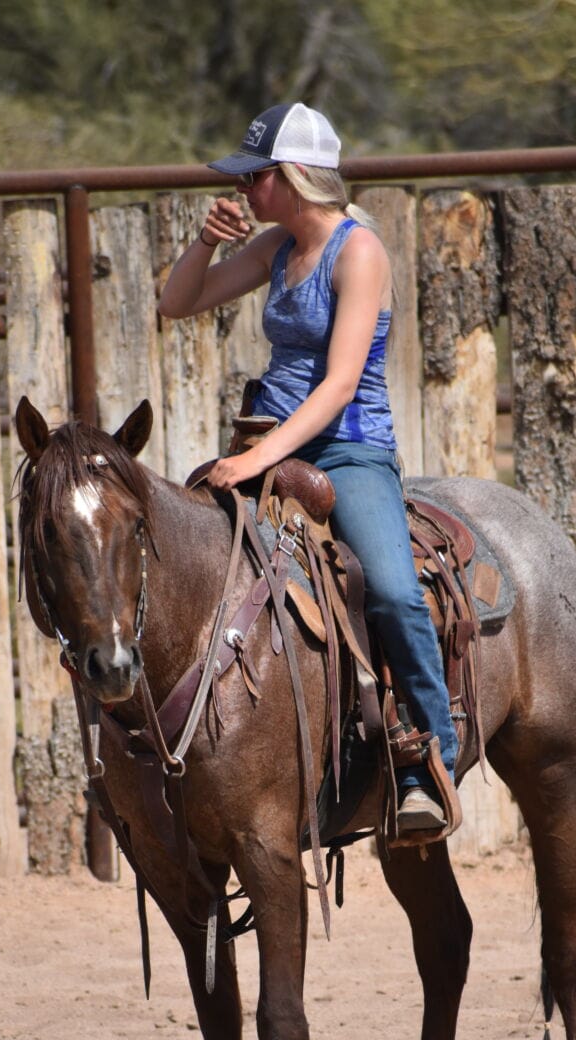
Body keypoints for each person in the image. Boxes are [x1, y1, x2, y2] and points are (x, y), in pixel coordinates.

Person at [158, 102, 458, 834]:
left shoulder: (359, 251)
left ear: (290, 179)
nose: (244, 191)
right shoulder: (274, 246)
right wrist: (202, 245)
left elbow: (340, 383)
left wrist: (258, 458)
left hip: (347, 448)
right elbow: (178, 303)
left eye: (253, 177)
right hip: (270, 437)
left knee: (388, 587)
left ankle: (430, 752)